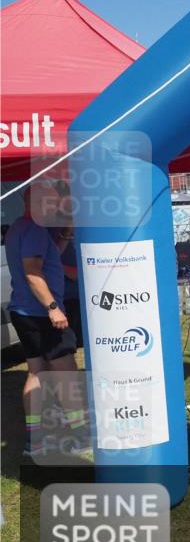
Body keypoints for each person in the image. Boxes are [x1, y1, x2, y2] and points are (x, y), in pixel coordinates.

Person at [5, 183, 88, 457]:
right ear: (38, 202)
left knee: (37, 372)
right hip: (42, 314)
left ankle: (35, 439)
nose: (55, 207)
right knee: (66, 375)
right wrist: (53, 307)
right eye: (51, 202)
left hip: (23, 311)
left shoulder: (21, 226)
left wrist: (65, 232)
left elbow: (49, 251)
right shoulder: (35, 229)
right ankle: (81, 435)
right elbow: (32, 272)